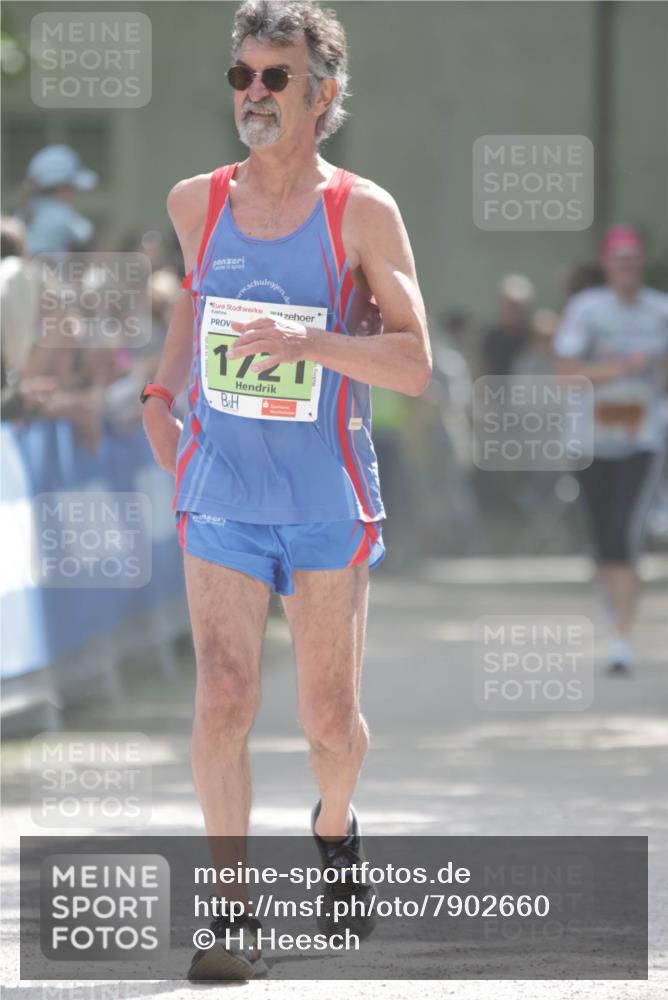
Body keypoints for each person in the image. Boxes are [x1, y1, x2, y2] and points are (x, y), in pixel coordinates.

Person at [141, 0, 431, 979]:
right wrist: (156, 391)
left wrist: (309, 342)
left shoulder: (362, 212)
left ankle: (335, 827)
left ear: (323, 94)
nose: (255, 94)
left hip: (324, 496)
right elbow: (195, 299)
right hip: (219, 485)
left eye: (276, 78)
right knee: (221, 693)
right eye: (242, 77)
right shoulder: (197, 201)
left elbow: (412, 362)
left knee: (326, 721)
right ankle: (231, 918)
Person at [553, 226, 668, 674]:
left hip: (641, 442)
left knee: (625, 535)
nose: (628, 269)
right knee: (602, 542)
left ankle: (621, 638)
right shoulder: (587, 311)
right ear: (607, 266)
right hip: (589, 441)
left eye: (634, 261)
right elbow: (564, 371)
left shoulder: (660, 311)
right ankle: (614, 611)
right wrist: (620, 367)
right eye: (620, 261)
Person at [19, 144, 97, 256]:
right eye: (71, 187)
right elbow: (87, 234)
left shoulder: (25, 214)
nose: (74, 193)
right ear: (61, 187)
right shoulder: (62, 216)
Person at [479, 273, 534, 379]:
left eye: (517, 308)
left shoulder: (534, 338)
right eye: (509, 306)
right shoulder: (491, 336)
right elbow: (482, 370)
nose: (513, 313)